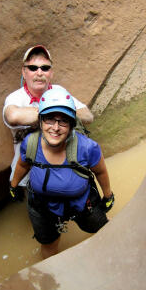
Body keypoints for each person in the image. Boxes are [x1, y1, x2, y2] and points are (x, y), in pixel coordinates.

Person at [9, 88, 114, 259]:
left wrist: (108, 196)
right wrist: (13, 186)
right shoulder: (31, 143)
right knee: (49, 247)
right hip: (42, 207)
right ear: (41, 120)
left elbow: (101, 171)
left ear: (72, 124)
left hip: (82, 204)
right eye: (50, 119)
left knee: (105, 232)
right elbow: (23, 165)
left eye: (63, 121)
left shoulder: (87, 147)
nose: (55, 128)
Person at [3, 45, 94, 187]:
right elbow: (13, 116)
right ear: (24, 72)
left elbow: (87, 116)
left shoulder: (59, 91)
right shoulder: (15, 97)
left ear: (51, 72)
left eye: (45, 68)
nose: (39, 73)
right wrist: (58, 112)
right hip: (29, 172)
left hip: (64, 167)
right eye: (33, 68)